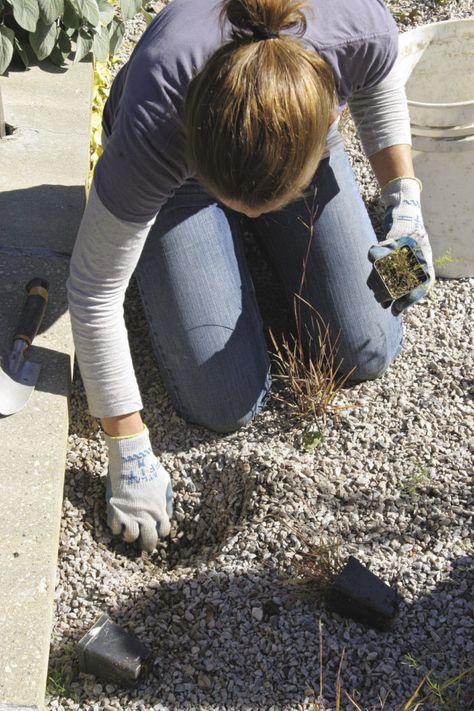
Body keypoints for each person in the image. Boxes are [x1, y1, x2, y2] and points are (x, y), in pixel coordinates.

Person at [67, 0, 435, 552]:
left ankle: (252, 248)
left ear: (328, 119)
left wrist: (404, 201)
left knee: (368, 347)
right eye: (242, 206)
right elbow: (94, 290)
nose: (250, 212)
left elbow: (378, 75)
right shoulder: (158, 117)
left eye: (264, 207)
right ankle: (203, 237)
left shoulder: (353, 26)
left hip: (293, 122)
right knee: (224, 401)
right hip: (182, 173)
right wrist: (126, 445)